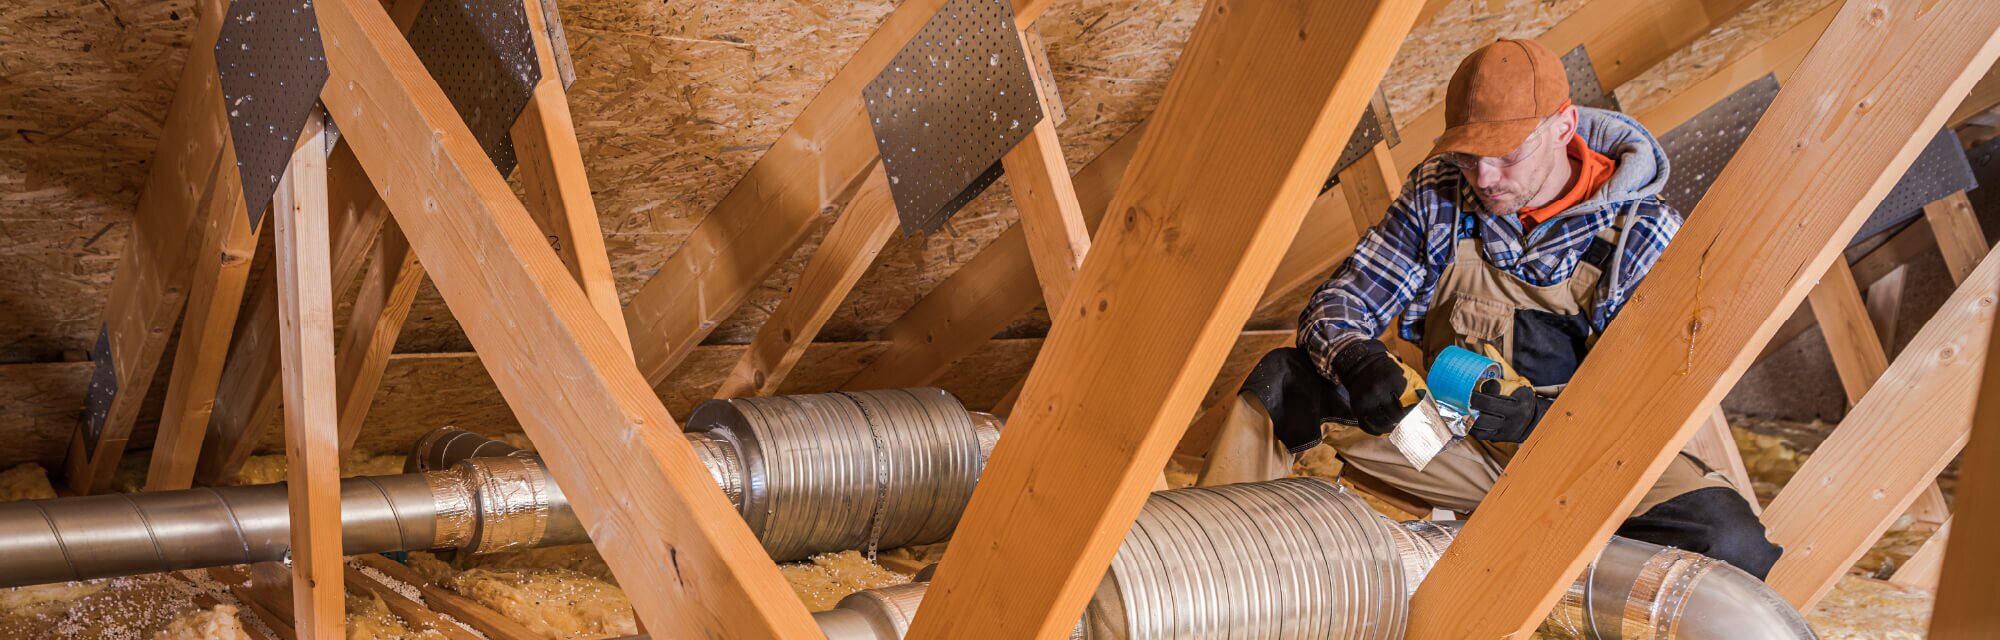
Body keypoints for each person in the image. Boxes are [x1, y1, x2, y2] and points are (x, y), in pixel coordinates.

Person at [1198, 39, 1783, 578]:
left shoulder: (1641, 231)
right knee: (1284, 382)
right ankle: (1213, 576)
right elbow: (1341, 302)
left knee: (1729, 544)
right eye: (1470, 157)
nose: (1485, 178)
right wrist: (1354, 359)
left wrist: (1539, 419)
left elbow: (1652, 393)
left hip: (1592, 465)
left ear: (1564, 126)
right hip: (1449, 445)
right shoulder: (1441, 192)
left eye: (1506, 156)